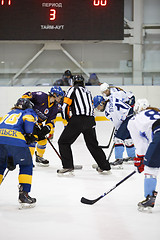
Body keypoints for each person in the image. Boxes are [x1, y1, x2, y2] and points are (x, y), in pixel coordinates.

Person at [57, 75, 111, 175]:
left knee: (63, 142)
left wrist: (68, 119)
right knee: (93, 144)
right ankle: (105, 166)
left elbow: (65, 106)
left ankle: (67, 166)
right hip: (90, 120)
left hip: (77, 119)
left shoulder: (72, 89)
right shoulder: (88, 92)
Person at [0, 98, 38, 208]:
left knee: (1, 166)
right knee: (26, 165)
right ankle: (24, 194)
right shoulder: (27, 112)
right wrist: (30, 134)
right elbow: (29, 122)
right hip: (15, 141)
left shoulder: (9, 113)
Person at [128, 99, 160, 211]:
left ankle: (149, 198)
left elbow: (140, 144)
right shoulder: (156, 112)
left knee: (150, 168)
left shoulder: (134, 120)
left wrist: (141, 159)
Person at [22, 86, 64, 166]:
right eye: (59, 96)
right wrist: (26, 101)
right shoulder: (41, 96)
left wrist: (47, 128)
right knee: (32, 139)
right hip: (29, 120)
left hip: (39, 123)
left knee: (43, 141)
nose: (60, 98)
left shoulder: (55, 107)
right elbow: (27, 94)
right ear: (54, 94)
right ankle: (27, 160)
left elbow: (51, 121)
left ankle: (39, 157)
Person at [93, 95, 135, 168]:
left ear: (101, 103)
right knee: (127, 138)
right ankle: (132, 157)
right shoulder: (110, 101)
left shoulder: (109, 110)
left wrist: (117, 132)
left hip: (128, 118)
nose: (98, 109)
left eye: (98, 106)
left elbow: (117, 122)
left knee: (118, 139)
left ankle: (119, 160)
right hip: (130, 115)